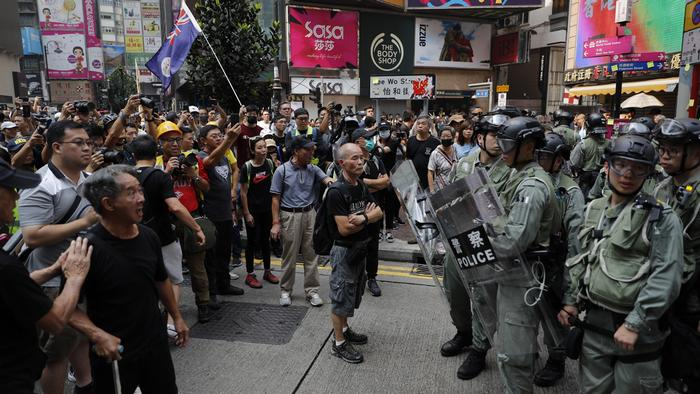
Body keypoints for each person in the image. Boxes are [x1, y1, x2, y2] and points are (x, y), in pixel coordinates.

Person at [561, 134, 683, 394]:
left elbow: (667, 277)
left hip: (637, 334)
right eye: (620, 164)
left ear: (648, 173)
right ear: (607, 165)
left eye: (638, 168)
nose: (627, 174)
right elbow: (579, 257)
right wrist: (571, 301)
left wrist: (634, 323)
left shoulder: (660, 217)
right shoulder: (594, 208)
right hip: (594, 324)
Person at [74, 165, 189, 394]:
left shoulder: (149, 235)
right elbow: (65, 308)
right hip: (115, 352)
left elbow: (161, 280)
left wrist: (176, 316)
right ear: (108, 204)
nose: (141, 199)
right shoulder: (85, 249)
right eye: (131, 193)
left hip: (154, 343)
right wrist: (98, 336)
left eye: (140, 191)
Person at [0, 158, 93, 394]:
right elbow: (55, 321)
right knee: (56, 353)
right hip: (12, 379)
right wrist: (73, 278)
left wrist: (51, 270)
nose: (17, 197)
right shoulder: (6, 266)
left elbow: (11, 287)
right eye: (10, 189)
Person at [19, 120, 98, 394]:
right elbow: (33, 236)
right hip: (52, 282)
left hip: (84, 276)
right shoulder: (40, 183)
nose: (87, 148)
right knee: (55, 355)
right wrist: (84, 222)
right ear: (56, 147)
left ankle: (85, 385)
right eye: (79, 143)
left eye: (88, 142)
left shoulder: (90, 181)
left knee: (80, 339)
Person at [486, 117, 557, 392]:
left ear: (528, 146)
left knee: (514, 356)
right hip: (516, 275)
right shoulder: (520, 174)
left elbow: (511, 241)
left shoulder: (531, 186)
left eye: (507, 144)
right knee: (519, 347)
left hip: (522, 278)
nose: (501, 150)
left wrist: (477, 240)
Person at [443, 114, 512, 380]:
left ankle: (479, 349)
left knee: (483, 298)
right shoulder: (464, 163)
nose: (500, 142)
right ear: (480, 137)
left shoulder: (510, 168)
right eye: (494, 135)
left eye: (503, 136)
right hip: (459, 239)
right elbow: (449, 194)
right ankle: (463, 332)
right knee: (455, 291)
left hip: (488, 243)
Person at [132, 131, 207, 326]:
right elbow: (174, 206)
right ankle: (171, 323)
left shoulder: (125, 176)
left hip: (137, 235)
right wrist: (196, 228)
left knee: (146, 280)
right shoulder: (159, 175)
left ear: (133, 155)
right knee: (173, 279)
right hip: (164, 236)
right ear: (156, 150)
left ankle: (149, 319)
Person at [532, 133, 585, 387]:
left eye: (544, 157)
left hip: (555, 259)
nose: (538, 160)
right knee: (527, 311)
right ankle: (526, 351)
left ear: (558, 160)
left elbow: (576, 240)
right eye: (537, 155)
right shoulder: (529, 180)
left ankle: (556, 358)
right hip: (528, 258)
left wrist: (571, 286)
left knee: (554, 314)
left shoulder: (569, 191)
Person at [653, 118, 700, 392]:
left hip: (693, 293)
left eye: (674, 149)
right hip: (667, 286)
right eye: (663, 148)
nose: (665, 155)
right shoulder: (663, 187)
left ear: (695, 152)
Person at [326, 143, 383, 364]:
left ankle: (346, 329)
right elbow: (344, 228)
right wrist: (367, 218)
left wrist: (364, 218)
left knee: (352, 294)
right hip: (344, 252)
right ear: (342, 163)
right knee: (340, 298)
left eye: (362, 158)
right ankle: (338, 343)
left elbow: (379, 211)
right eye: (355, 158)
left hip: (360, 249)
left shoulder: (359, 185)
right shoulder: (336, 192)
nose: (361, 162)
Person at [270, 136, 333, 307]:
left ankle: (312, 291)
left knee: (311, 254)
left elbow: (328, 181)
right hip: (289, 216)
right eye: (308, 149)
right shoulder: (281, 171)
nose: (312, 152)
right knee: (289, 255)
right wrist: (276, 223)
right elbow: (275, 198)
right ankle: (285, 290)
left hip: (310, 214)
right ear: (297, 151)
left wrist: (333, 184)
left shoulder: (313, 169)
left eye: (313, 149)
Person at [198, 123, 245, 298]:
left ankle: (224, 284)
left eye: (220, 135)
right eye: (214, 136)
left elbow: (234, 170)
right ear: (203, 141)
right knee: (212, 256)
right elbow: (210, 161)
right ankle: (211, 292)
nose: (218, 138)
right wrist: (228, 139)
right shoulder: (201, 156)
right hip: (211, 215)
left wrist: (233, 190)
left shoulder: (224, 156)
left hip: (226, 213)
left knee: (225, 252)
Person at [350, 128, 389, 296]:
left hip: (375, 209)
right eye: (365, 139)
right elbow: (356, 182)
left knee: (373, 245)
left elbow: (386, 181)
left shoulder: (376, 159)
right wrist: (375, 183)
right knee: (356, 244)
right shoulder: (352, 160)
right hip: (356, 209)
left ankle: (371, 277)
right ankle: (354, 276)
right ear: (357, 142)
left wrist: (369, 183)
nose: (369, 141)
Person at [240, 136, 279, 288]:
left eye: (264, 147)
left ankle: (267, 271)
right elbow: (243, 193)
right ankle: (250, 274)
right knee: (251, 242)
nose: (263, 150)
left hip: (267, 210)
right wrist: (247, 213)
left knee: (265, 241)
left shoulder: (269, 164)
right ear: (252, 150)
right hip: (253, 211)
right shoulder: (247, 167)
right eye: (259, 148)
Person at [570, 113, 610, 198]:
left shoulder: (583, 144)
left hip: (586, 182)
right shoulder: (610, 144)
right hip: (604, 182)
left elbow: (574, 164)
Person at [406, 115, 440, 191]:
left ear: (429, 127)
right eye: (418, 124)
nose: (420, 126)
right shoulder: (411, 140)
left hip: (429, 180)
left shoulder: (435, 142)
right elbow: (408, 159)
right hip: (413, 179)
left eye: (423, 124)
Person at [427, 126, 457, 193]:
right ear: (440, 138)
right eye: (443, 136)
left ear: (452, 138)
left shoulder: (455, 149)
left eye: (448, 136)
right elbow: (430, 172)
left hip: (455, 186)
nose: (446, 138)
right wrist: (432, 191)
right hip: (441, 188)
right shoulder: (435, 154)